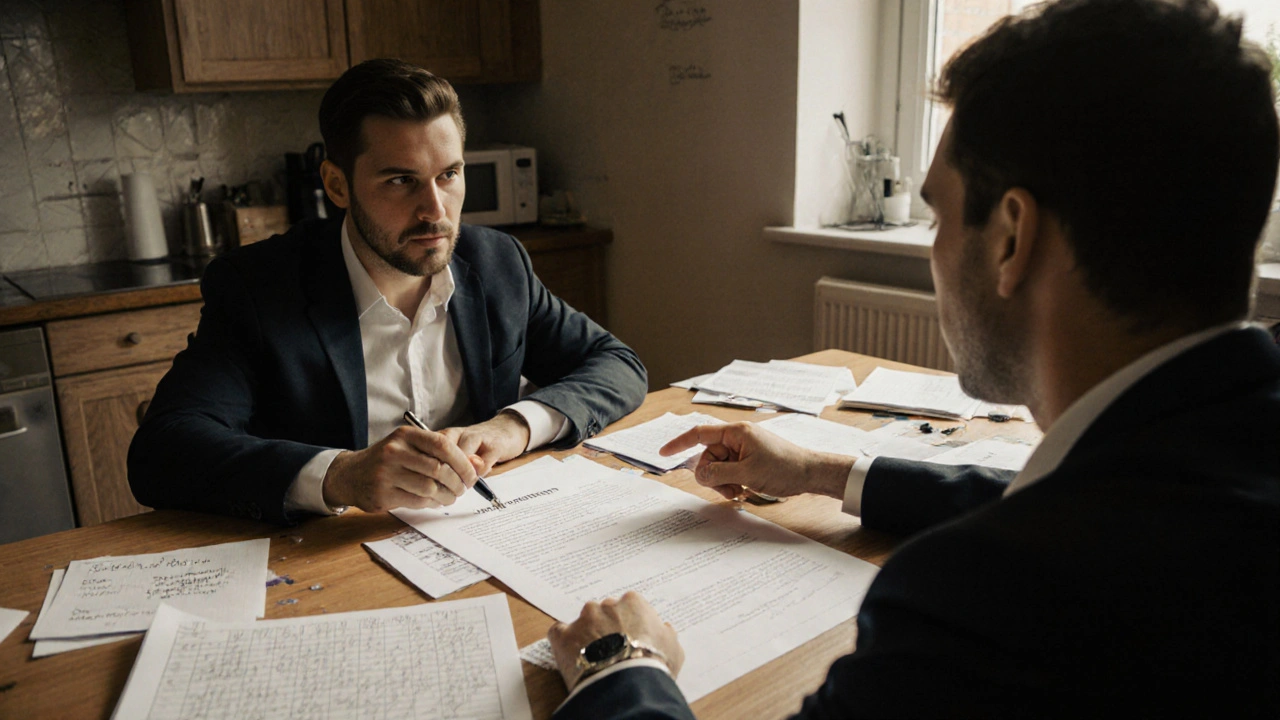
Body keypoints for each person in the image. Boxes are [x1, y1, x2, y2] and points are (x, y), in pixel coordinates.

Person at [546, 0, 1280, 716]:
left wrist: (621, 669)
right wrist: (823, 471)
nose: (935, 247)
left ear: (1011, 239)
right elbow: (1092, 504)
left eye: (937, 215)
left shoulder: (981, 598)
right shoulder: (1219, 454)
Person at [129, 59, 647, 524]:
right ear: (336, 186)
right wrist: (341, 475)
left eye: (449, 175)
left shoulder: (497, 264)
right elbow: (162, 451)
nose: (436, 211)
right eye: (401, 181)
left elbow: (616, 364)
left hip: (482, 533)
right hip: (326, 559)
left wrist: (514, 426)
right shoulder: (259, 288)